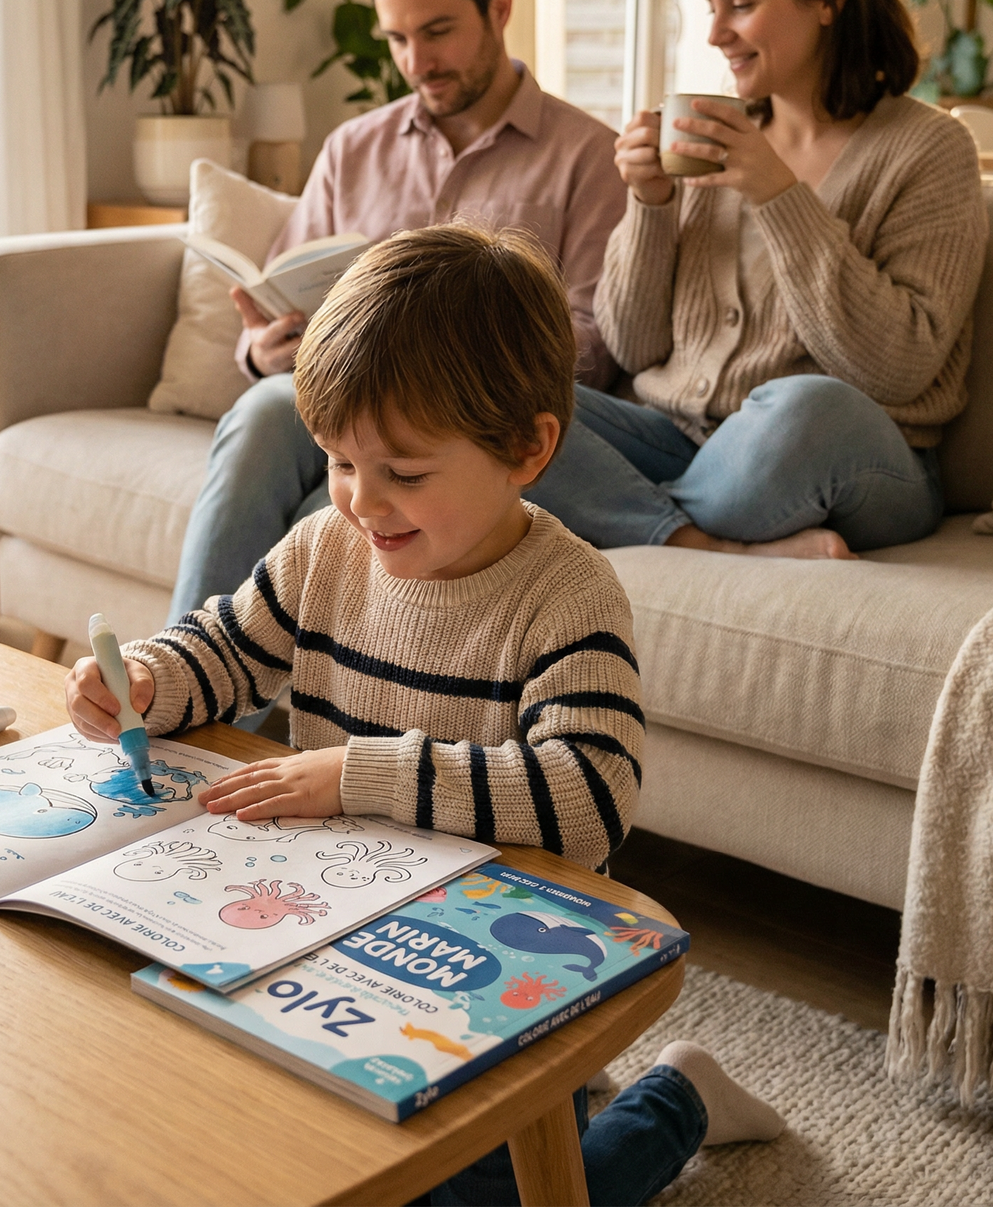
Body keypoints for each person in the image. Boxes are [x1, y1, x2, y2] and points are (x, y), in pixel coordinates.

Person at [66, 225, 782, 1205]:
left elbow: (586, 798)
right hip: (332, 947)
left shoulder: (567, 593)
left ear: (527, 449)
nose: (362, 501)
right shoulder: (324, 548)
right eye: (337, 461)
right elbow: (226, 649)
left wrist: (356, 773)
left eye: (402, 472)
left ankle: (673, 1096)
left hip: (507, 979)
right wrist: (146, 680)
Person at [169, 0, 626, 627]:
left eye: (438, 30)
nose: (416, 61)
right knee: (263, 406)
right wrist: (261, 349)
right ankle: (182, 687)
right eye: (397, 38)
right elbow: (284, 287)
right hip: (341, 406)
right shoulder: (353, 148)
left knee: (344, 502)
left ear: (499, 6)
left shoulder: (586, 157)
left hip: (450, 426)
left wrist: (432, 371)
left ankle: (229, 721)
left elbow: (592, 345)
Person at [554, 0, 987, 558]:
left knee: (805, 408)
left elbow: (897, 368)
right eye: (710, 7)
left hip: (849, 454)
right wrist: (650, 203)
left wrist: (779, 196)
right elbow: (633, 348)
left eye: (741, 5)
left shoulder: (928, 149)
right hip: (683, 440)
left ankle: (626, 514)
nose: (715, 33)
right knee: (508, 404)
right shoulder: (710, 141)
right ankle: (707, 541)